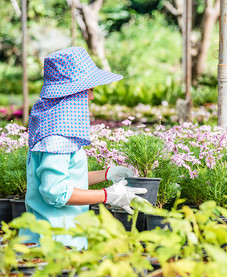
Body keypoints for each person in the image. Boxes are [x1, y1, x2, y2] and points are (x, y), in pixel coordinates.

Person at [19, 47, 147, 249]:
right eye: (90, 89)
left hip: (48, 238)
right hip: (56, 244)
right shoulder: (57, 137)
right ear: (72, 94)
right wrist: (107, 195)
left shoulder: (52, 131)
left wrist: (107, 174)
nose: (91, 97)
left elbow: (64, 178)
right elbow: (56, 191)